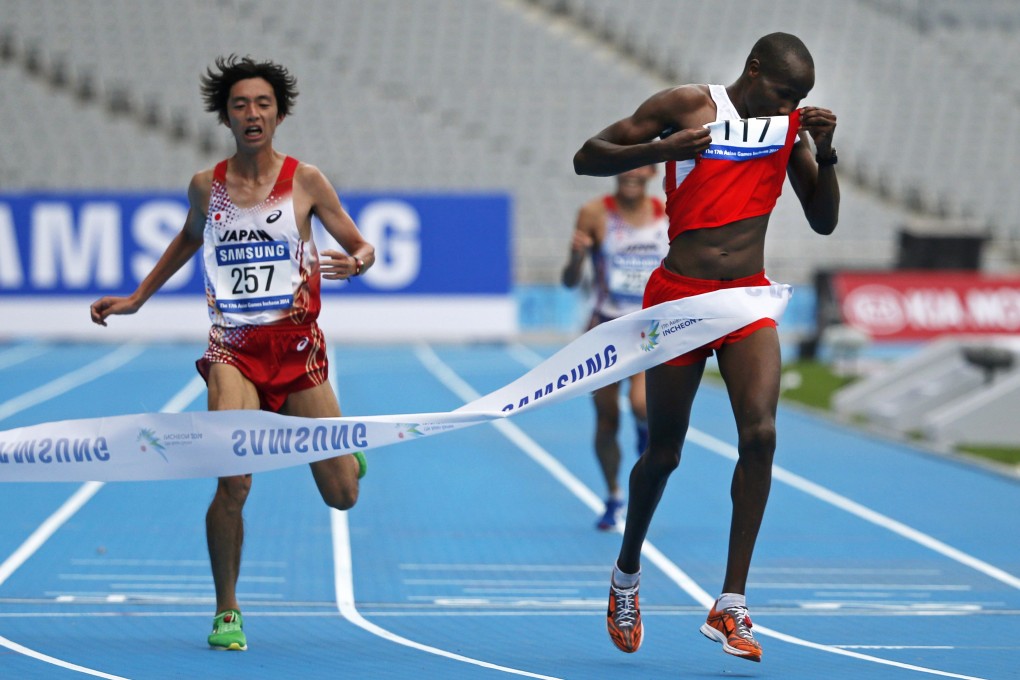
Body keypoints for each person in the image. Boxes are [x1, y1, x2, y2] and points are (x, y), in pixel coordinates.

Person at [89, 55, 375, 652]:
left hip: (297, 353)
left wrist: (359, 261)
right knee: (233, 482)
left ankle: (341, 444)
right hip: (233, 353)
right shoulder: (206, 186)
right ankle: (227, 610)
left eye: (263, 104)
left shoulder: (306, 181)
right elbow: (190, 238)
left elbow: (359, 242)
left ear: (279, 114)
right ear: (226, 115)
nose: (252, 114)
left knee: (343, 495)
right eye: (241, 104)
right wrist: (138, 299)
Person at [573, 32, 838, 662]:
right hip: (679, 297)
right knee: (663, 451)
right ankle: (627, 573)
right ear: (752, 71)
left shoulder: (786, 130)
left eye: (799, 98)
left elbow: (823, 219)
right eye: (782, 93)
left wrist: (824, 154)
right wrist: (664, 149)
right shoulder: (688, 107)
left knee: (762, 433)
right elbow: (587, 157)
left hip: (745, 298)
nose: (788, 106)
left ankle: (732, 604)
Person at [561, 166, 669, 531]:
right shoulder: (593, 213)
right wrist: (577, 257)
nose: (632, 174)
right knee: (607, 419)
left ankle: (644, 430)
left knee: (642, 404)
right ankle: (613, 495)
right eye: (625, 167)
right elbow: (569, 280)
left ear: (653, 171)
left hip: (648, 329)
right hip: (605, 329)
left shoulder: (667, 215)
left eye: (640, 168)